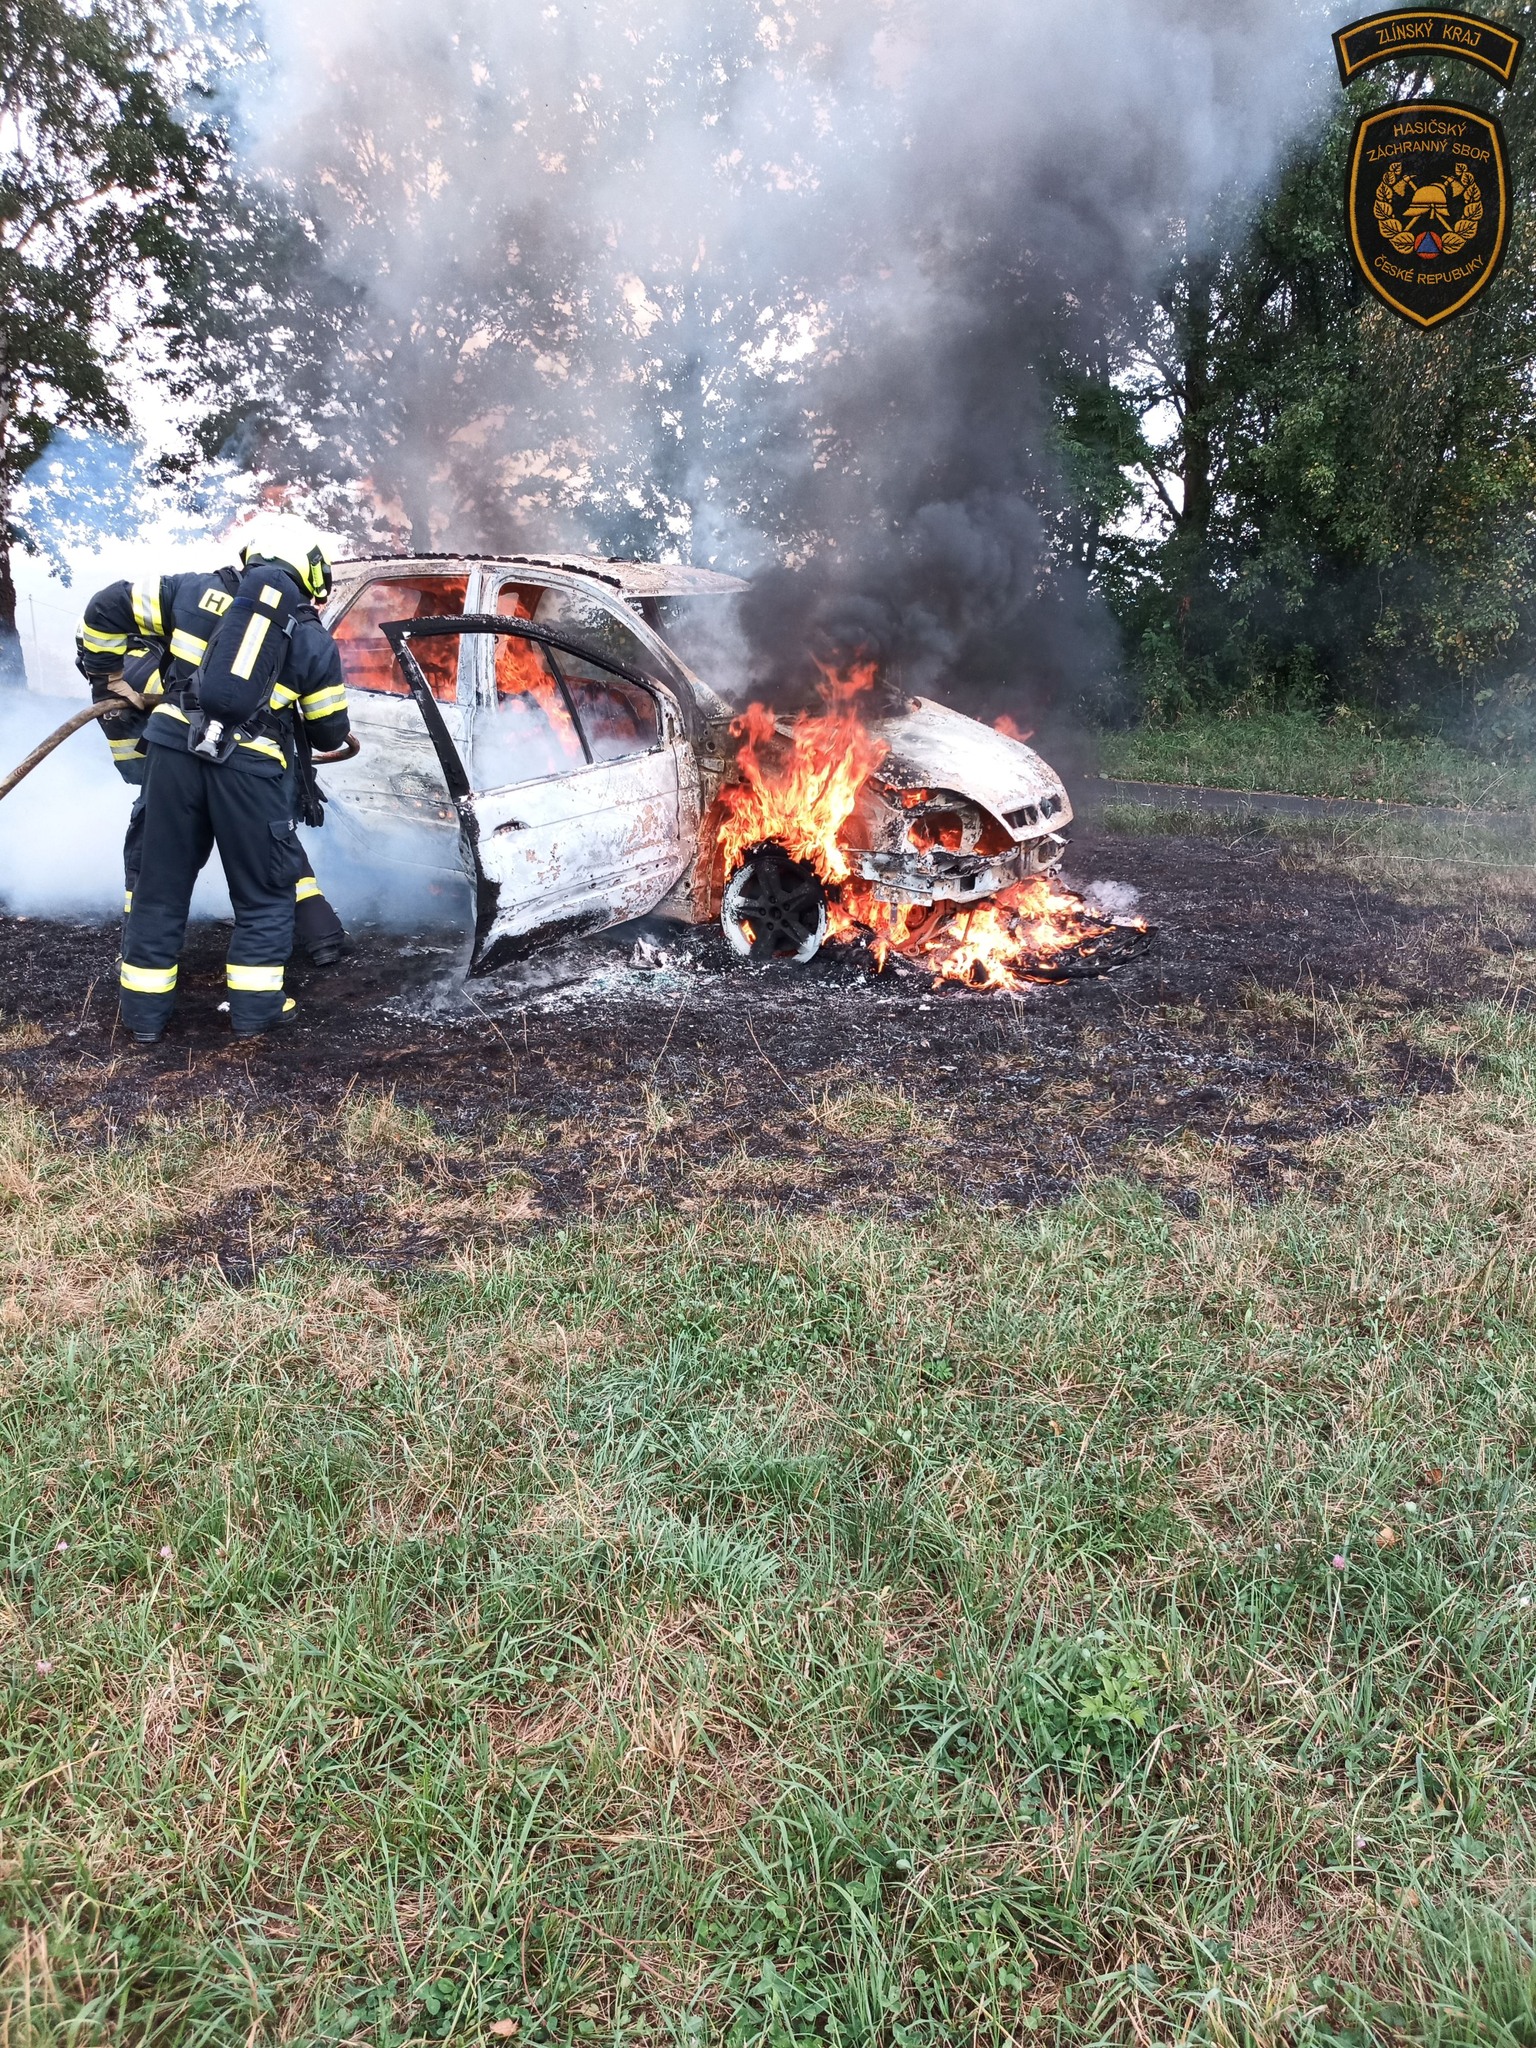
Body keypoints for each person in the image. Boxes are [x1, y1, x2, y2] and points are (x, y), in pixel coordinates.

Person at [112, 515, 353, 1043]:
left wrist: (111, 676)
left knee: (158, 888)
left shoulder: (193, 591)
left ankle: (144, 1018)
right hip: (249, 770)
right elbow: (330, 732)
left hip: (172, 752)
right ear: (310, 573)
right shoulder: (311, 636)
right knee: (263, 895)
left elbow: (107, 607)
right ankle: (256, 1012)